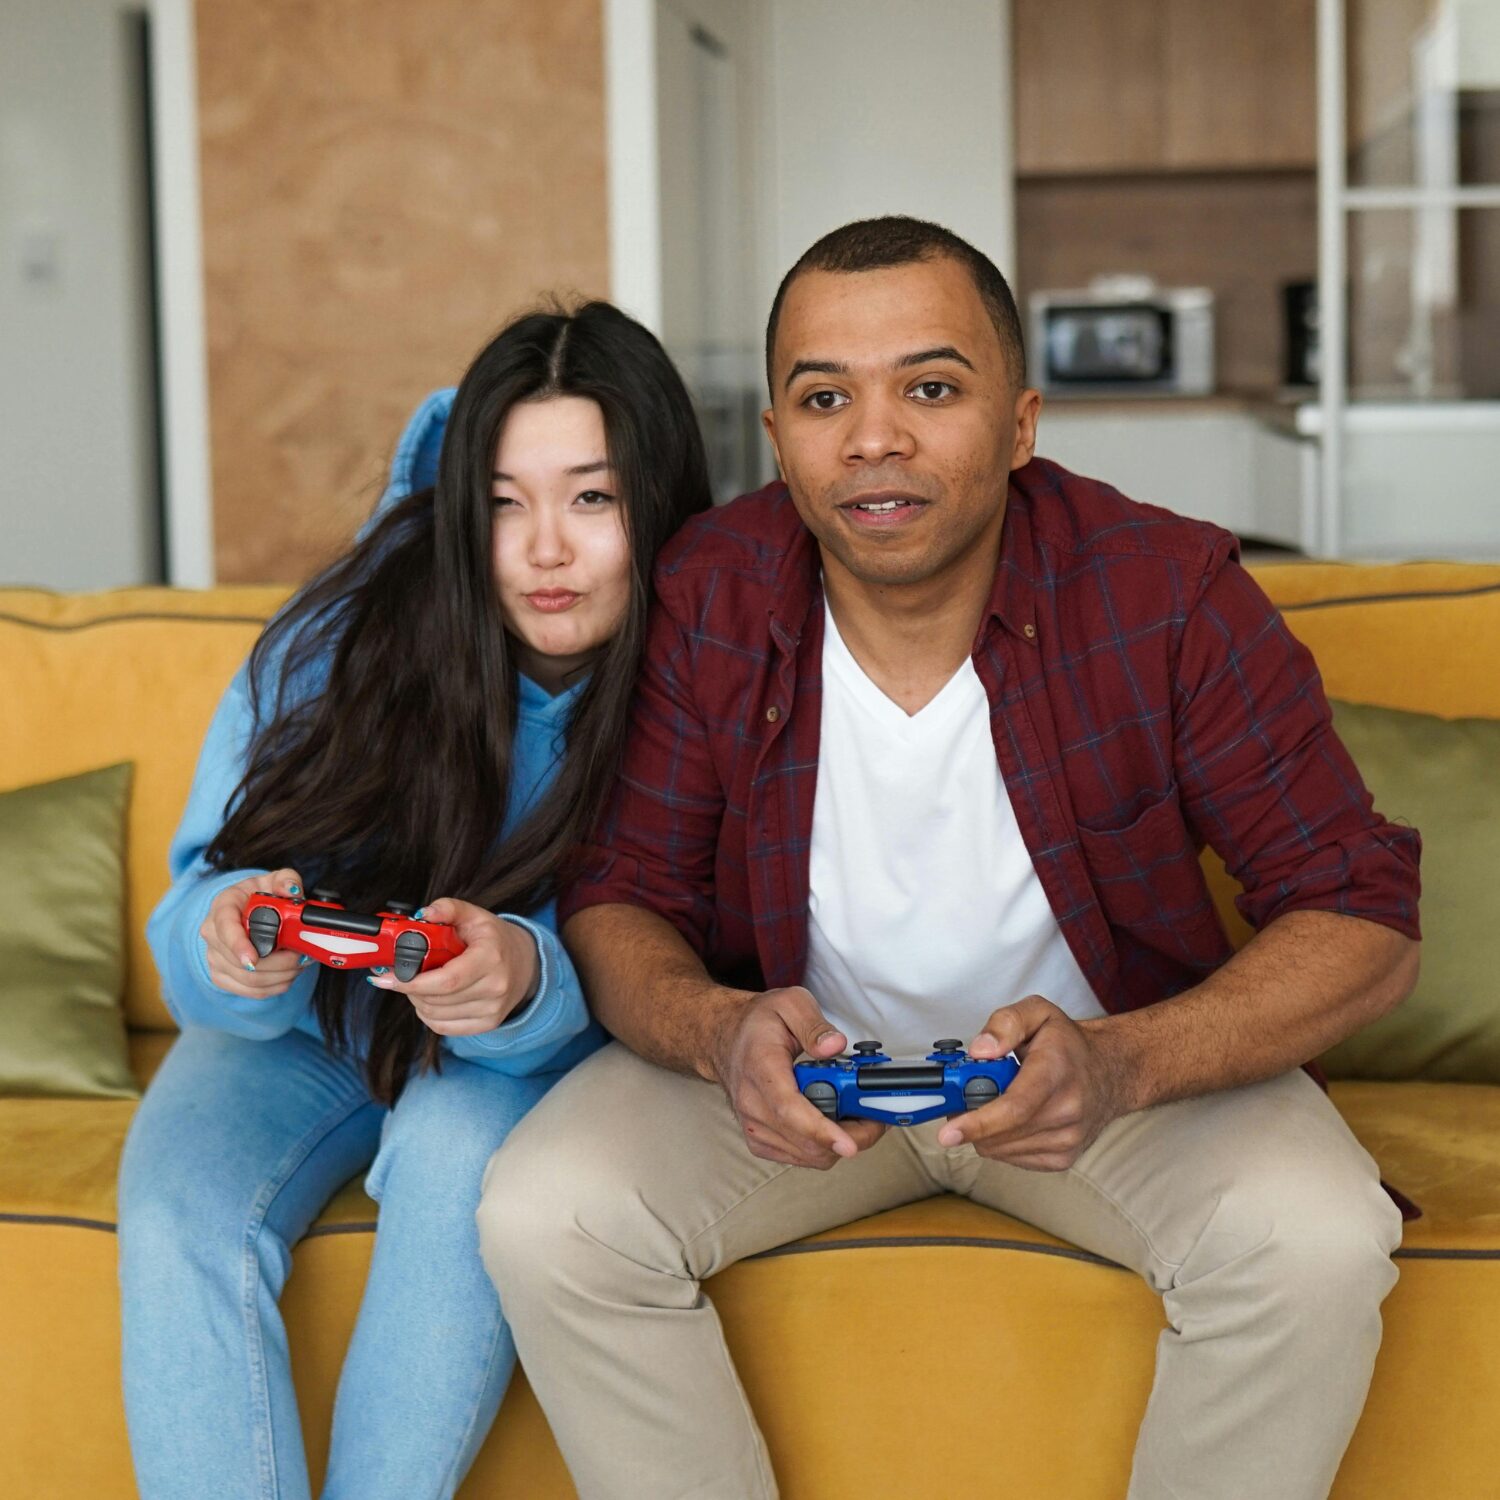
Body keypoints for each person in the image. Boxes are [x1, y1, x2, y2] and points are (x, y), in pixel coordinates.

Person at [476, 218, 1423, 1500]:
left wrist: (1121, 1062)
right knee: (547, 1211)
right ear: (779, 438)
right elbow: (622, 893)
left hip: (1102, 1076)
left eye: (930, 388)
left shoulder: (1165, 591)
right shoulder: (711, 590)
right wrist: (717, 1032)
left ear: (1020, 424)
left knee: (1316, 1238)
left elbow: (1359, 911)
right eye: (827, 399)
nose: (875, 439)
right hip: (808, 1085)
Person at [116, 300, 711, 1500]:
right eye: (503, 503)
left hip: (513, 1057)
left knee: (456, 1156)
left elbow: (697, 957)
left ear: (658, 502)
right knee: (179, 1206)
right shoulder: (343, 632)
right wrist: (228, 946)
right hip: (306, 1025)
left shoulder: (714, 672)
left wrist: (525, 983)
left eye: (592, 499)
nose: (544, 550)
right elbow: (196, 900)